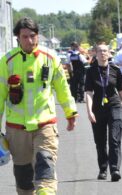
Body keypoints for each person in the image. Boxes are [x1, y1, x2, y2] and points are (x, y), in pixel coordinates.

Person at [0, 17, 78, 195]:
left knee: (45, 166)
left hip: (45, 125)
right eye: (25, 36)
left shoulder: (51, 59)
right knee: (24, 179)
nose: (29, 40)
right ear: (17, 38)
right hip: (16, 130)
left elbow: (62, 88)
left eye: (33, 36)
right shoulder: (7, 62)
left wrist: (70, 112)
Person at [85, 42, 122, 182]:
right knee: (100, 142)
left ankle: (115, 169)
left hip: (114, 106)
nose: (102, 53)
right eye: (99, 51)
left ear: (109, 53)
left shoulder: (115, 69)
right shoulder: (91, 71)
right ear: (95, 53)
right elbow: (88, 93)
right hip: (98, 109)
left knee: (114, 139)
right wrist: (89, 111)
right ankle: (102, 169)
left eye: (105, 51)